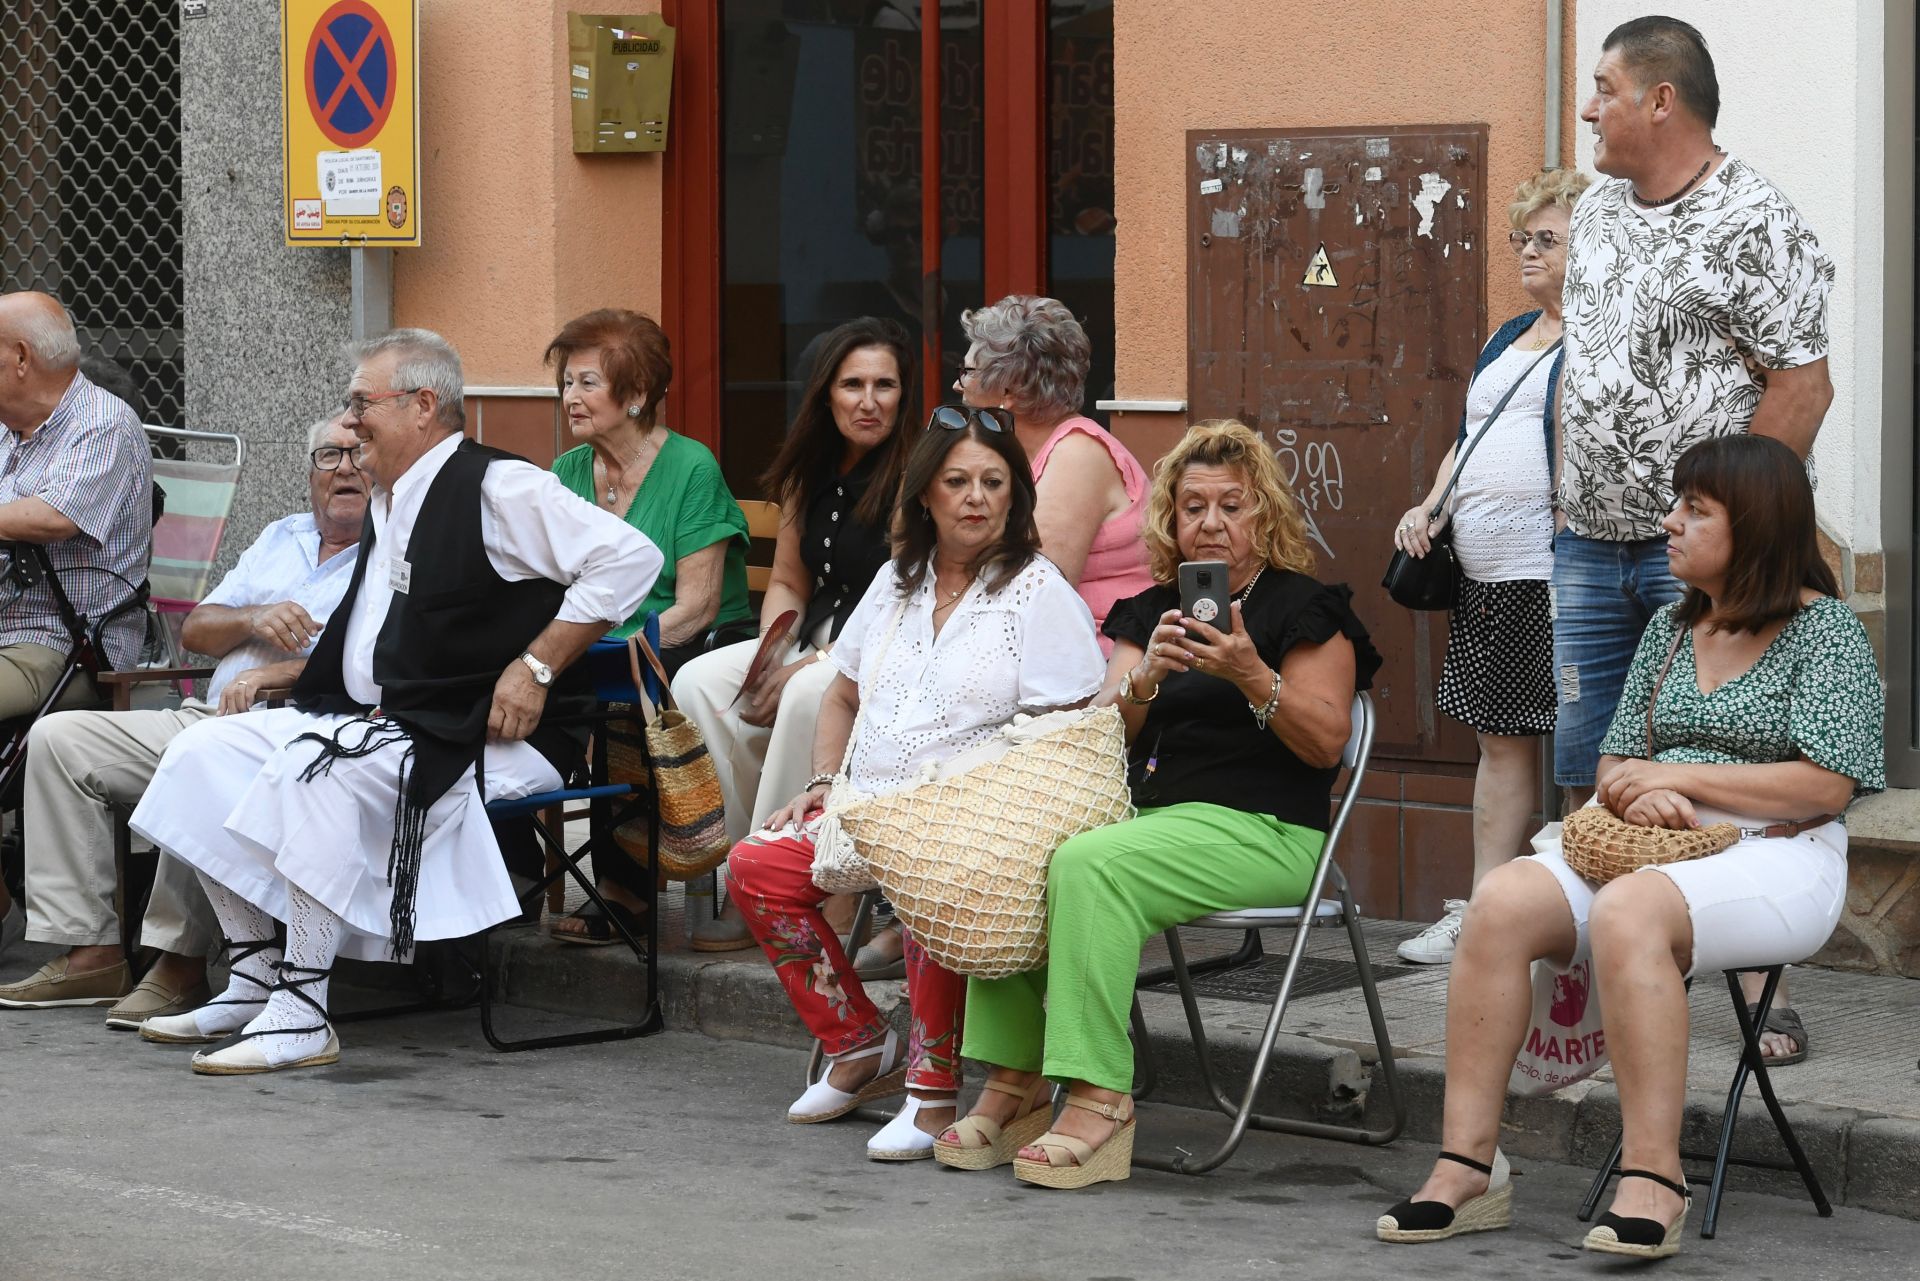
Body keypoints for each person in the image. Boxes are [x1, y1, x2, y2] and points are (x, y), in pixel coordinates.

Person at [1377, 435, 1881, 1258]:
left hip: (1786, 856)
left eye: (1694, 508)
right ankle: (1468, 1166)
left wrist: (1677, 774)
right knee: (1500, 901)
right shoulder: (1673, 626)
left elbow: (1826, 785)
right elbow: (1615, 759)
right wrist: (1639, 786)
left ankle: (1654, 1177)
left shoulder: (1825, 633)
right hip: (1656, 841)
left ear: (1753, 525)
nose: (1669, 521)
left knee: (1628, 909)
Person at [124, 328, 662, 1074]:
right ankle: (253, 972)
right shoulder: (389, 498)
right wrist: (288, 676)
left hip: (489, 736)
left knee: (314, 768)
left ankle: (306, 1006)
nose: (349, 424)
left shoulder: (499, 487)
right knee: (199, 753)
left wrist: (537, 666)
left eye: (360, 404)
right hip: (384, 722)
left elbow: (631, 558)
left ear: (422, 405)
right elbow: (375, 633)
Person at [938, 419, 1380, 1188]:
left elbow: (1325, 743)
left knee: (1089, 863)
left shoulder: (1306, 609)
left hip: (1271, 832)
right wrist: (1144, 681)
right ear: (1170, 521)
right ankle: (1015, 1079)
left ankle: (1101, 1095)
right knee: (1021, 855)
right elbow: (1104, 731)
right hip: (1157, 825)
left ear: (1264, 515)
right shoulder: (1152, 612)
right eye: (1192, 507)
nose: (1210, 522)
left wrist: (1249, 672)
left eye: (1231, 506)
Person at [1555, 15, 1835, 1059]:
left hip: (1709, 557)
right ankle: (1601, 990)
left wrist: (1741, 537)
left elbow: (1802, 389)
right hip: (1588, 544)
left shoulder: (1757, 218)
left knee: (1726, 759)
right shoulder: (1594, 216)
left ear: (1660, 100)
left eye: (1604, 87)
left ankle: (1761, 992)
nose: (1589, 107)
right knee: (1595, 765)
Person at [726, 408, 1104, 1161]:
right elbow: (841, 692)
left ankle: (933, 1095)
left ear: (1014, 496)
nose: (975, 498)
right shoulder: (896, 584)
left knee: (922, 865)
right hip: (872, 804)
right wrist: (827, 780)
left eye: (993, 482)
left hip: (975, 824)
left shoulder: (1038, 591)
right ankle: (861, 1042)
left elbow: (1067, 727)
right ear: (925, 495)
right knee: (757, 863)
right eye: (956, 481)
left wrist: (963, 803)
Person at [0, 414, 366, 1019]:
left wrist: (280, 671)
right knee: (60, 738)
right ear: (310, 474)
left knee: (200, 762)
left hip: (295, 727)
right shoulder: (282, 535)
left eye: (358, 456)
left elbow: (376, 659)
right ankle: (92, 954)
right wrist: (253, 619)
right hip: (206, 710)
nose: (344, 469)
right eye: (329, 456)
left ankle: (181, 961)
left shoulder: (390, 554)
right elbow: (197, 628)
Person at [1390, 169, 1589, 965]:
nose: (1527, 254)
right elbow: (1467, 438)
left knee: (1577, 754)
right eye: (1521, 239)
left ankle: (1577, 916)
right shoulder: (1507, 336)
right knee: (1501, 745)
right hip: (1485, 574)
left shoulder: (1599, 341)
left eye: (1547, 240)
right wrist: (1429, 506)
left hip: (1558, 577)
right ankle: (1484, 914)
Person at [670, 317, 914, 955]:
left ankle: (794, 887)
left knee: (809, 698)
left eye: (884, 385)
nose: (868, 400)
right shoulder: (813, 467)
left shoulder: (916, 476)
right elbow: (786, 579)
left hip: (887, 645)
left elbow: (903, 599)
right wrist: (771, 654)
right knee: (698, 683)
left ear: (904, 394)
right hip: (808, 631)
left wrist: (811, 666)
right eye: (852, 384)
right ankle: (746, 867)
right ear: (825, 394)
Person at [541, 308, 754, 945]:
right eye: (566, 382)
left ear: (636, 396)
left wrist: (617, 647)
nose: (569, 397)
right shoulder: (568, 473)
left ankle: (625, 891)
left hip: (686, 644)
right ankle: (506, 881)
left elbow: (698, 605)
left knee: (624, 695)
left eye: (586, 383)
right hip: (593, 644)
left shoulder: (691, 468)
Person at [954, 294, 1153, 651]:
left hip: (1097, 663)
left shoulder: (1077, 454)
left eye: (968, 372)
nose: (958, 385)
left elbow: (1033, 595)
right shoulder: (1027, 452)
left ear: (1008, 389)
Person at [0, 292, 154, 714]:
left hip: (61, 643)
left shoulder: (105, 425)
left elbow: (54, 517)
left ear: (20, 358)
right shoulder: (7, 425)